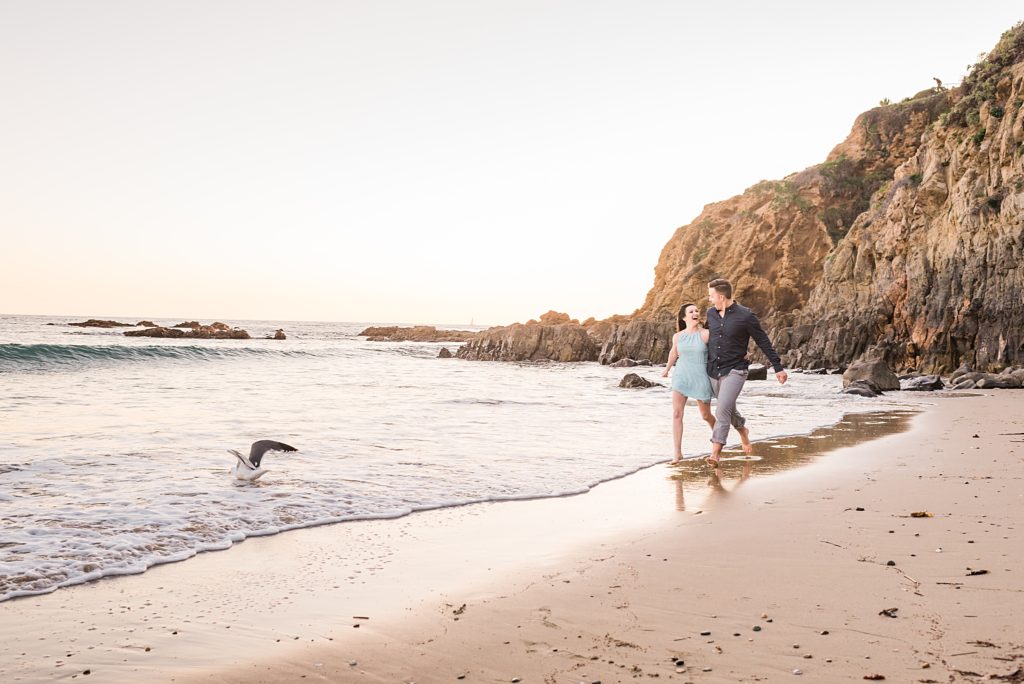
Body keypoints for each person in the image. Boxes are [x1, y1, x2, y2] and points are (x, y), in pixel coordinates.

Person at [705, 278, 788, 466]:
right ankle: (742, 430)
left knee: (721, 409)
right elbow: (706, 338)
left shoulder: (745, 316)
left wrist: (778, 368)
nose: (709, 300)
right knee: (728, 408)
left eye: (711, 296)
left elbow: (762, 340)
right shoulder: (711, 313)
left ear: (721, 296)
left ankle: (715, 454)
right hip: (713, 370)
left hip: (736, 370)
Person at [661, 303, 716, 463]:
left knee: (706, 415)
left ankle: (718, 440)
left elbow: (720, 349)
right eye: (691, 311)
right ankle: (677, 453)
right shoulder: (678, 336)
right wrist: (667, 369)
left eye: (697, 311)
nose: (695, 313)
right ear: (684, 317)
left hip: (700, 377)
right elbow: (674, 352)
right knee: (677, 414)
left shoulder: (706, 334)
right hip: (681, 376)